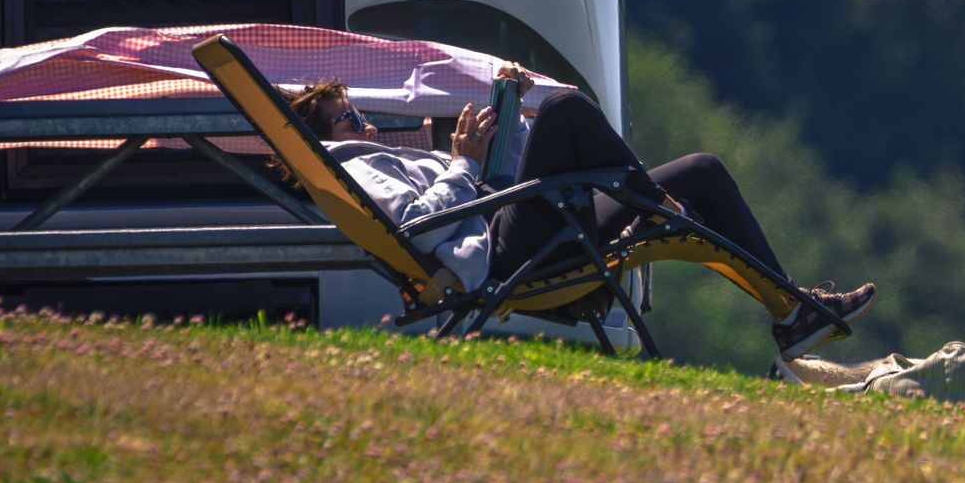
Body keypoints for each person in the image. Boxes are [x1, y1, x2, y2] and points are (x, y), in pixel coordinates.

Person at [285, 67, 875, 358]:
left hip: (511, 221)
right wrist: (462, 162)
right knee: (566, 108)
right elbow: (422, 223)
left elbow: (482, 191)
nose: (363, 124)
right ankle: (654, 205)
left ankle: (793, 313)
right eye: (347, 117)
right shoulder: (351, 164)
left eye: (357, 115)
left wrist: (502, 132)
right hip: (502, 252)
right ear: (323, 139)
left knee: (704, 169)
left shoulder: (365, 153)